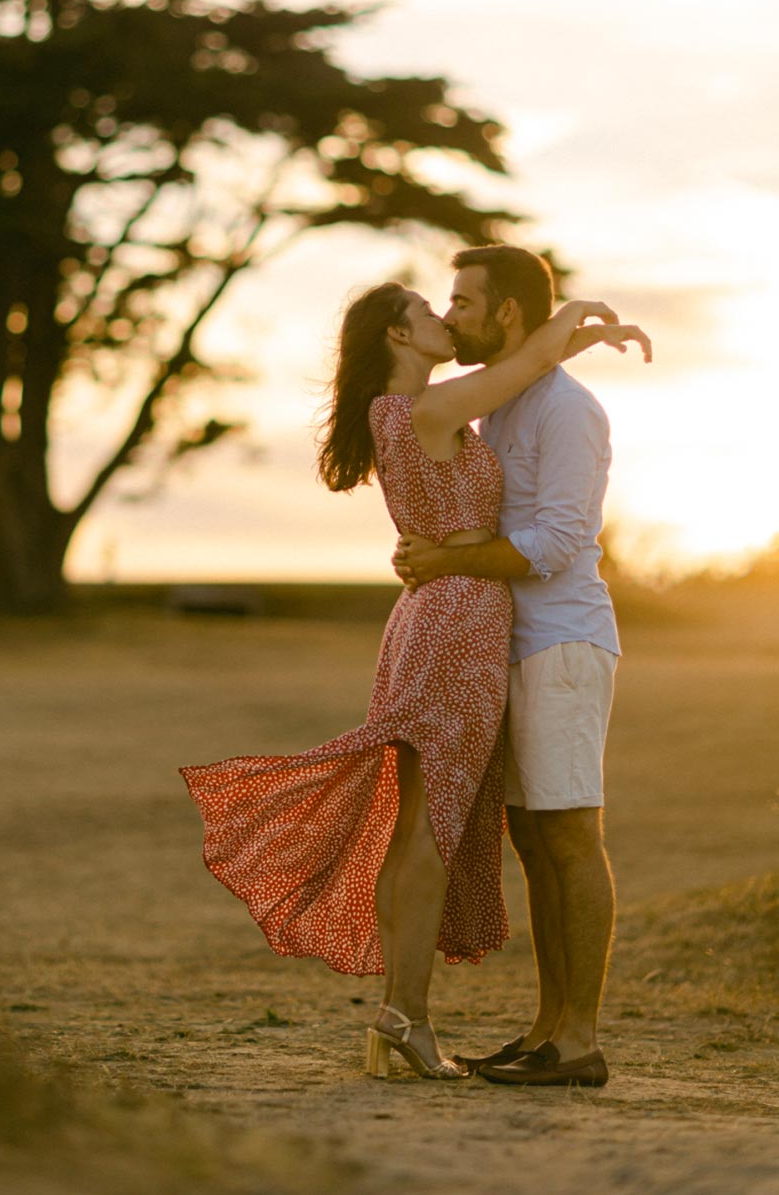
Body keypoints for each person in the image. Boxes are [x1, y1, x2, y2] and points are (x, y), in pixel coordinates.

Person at [179, 276, 648, 1083]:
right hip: (458, 622)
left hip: (449, 618)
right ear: (398, 337)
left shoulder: (429, 410)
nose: (443, 314)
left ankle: (411, 1018)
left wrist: (565, 338)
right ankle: (407, 1019)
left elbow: (525, 366)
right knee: (429, 827)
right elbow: (524, 357)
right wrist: (574, 318)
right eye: (429, 311)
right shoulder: (426, 411)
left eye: (456, 301)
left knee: (424, 824)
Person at [393, 245, 649, 1088]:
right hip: (510, 638)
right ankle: (547, 1028)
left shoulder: (568, 411)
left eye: (464, 301)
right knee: (535, 838)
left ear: (506, 312)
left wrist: (453, 556)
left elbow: (560, 541)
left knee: (573, 833)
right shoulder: (501, 404)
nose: (452, 313)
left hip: (564, 641)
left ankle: (579, 1038)